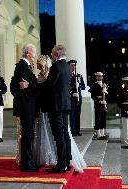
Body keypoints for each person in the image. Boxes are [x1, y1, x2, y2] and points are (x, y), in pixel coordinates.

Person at [42, 44, 72, 173]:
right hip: (65, 104)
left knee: (59, 135)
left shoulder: (56, 66)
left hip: (56, 106)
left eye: (53, 54)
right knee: (65, 134)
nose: (51, 56)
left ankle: (61, 165)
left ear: (57, 55)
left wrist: (38, 84)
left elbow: (49, 85)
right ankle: (67, 162)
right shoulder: (67, 67)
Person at [12, 44, 39, 172]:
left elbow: (16, 86)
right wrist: (34, 85)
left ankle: (28, 161)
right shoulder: (23, 67)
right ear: (28, 53)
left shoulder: (24, 66)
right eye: (34, 52)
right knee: (28, 135)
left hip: (26, 106)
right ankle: (26, 163)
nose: (35, 55)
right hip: (26, 107)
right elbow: (25, 87)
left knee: (28, 134)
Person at [89, 72, 108, 140]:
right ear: (96, 77)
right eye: (98, 76)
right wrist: (99, 100)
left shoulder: (104, 85)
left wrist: (106, 95)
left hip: (104, 104)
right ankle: (98, 134)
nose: (100, 77)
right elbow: (92, 95)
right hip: (98, 104)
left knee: (103, 118)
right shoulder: (94, 85)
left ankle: (102, 133)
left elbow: (107, 95)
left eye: (101, 76)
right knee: (98, 118)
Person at [68, 60, 85, 136]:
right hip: (72, 98)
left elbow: (83, 86)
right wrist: (71, 93)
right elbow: (67, 87)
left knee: (78, 114)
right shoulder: (68, 75)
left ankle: (78, 130)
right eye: (72, 65)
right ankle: (73, 131)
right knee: (72, 115)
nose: (73, 67)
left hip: (79, 98)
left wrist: (79, 85)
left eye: (74, 65)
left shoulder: (79, 76)